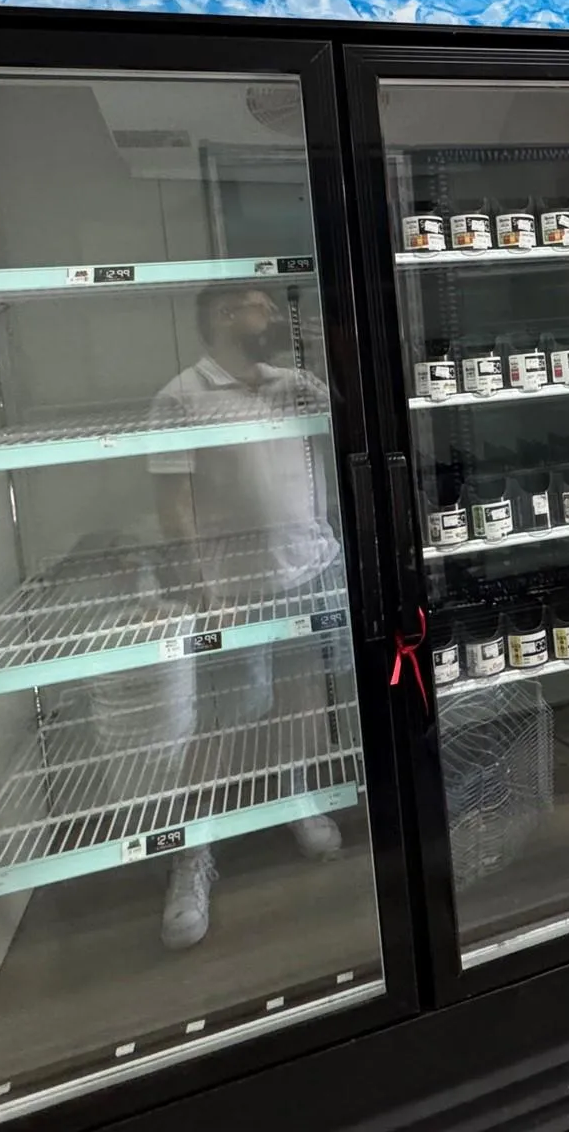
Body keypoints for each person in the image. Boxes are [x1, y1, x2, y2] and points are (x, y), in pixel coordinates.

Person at [146, 284, 344, 950]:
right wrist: (203, 587)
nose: (277, 318)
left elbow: (356, 418)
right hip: (233, 588)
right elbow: (174, 503)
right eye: (263, 306)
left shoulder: (291, 382)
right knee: (226, 718)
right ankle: (192, 855)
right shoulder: (180, 396)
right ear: (227, 316)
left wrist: (316, 357)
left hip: (309, 569)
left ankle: (293, 793)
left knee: (300, 701)